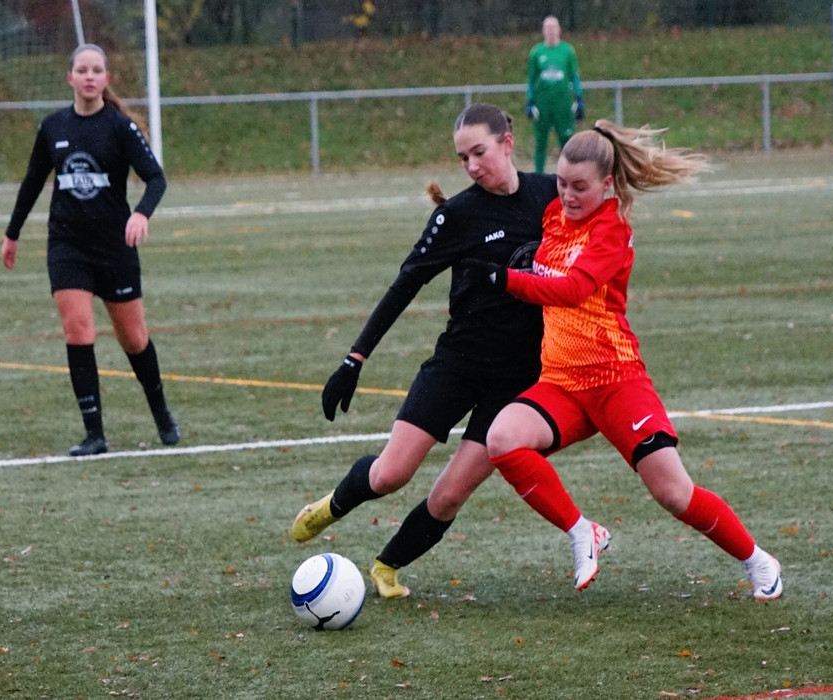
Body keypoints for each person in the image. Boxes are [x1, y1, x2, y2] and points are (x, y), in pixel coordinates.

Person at [472, 120, 783, 600]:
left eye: (580, 187)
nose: (568, 195)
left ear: (606, 184)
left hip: (615, 381)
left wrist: (505, 280)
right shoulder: (553, 214)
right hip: (560, 383)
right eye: (562, 183)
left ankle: (758, 561)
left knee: (673, 493)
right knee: (502, 439)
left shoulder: (612, 230)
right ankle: (583, 532)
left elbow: (573, 289)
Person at [292, 103, 566, 599]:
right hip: (457, 364)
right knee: (390, 474)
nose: (471, 166)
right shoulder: (457, 215)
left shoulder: (551, 195)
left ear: (507, 142)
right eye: (463, 158)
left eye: (479, 153)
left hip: (518, 378)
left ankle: (386, 567)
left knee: (450, 495)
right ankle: (332, 505)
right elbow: (405, 285)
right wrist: (354, 359)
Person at [1, 43, 180, 457]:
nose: (89, 76)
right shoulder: (53, 127)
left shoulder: (120, 127)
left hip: (115, 248)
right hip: (67, 246)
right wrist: (12, 234)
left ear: (106, 79)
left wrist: (141, 214)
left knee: (134, 339)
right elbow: (32, 182)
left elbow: (155, 179)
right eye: (81, 70)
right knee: (78, 329)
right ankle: (94, 434)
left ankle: (161, 413)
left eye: (96, 70)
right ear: (70, 77)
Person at [526, 15, 584, 174]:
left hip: (562, 104)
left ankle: (569, 175)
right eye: (547, 27)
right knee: (541, 143)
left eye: (553, 27)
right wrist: (529, 101)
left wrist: (579, 99)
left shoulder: (568, 51)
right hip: (542, 105)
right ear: (543, 30)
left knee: (567, 142)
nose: (551, 30)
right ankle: (539, 176)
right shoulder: (536, 52)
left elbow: (574, 76)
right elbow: (531, 80)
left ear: (559, 30)